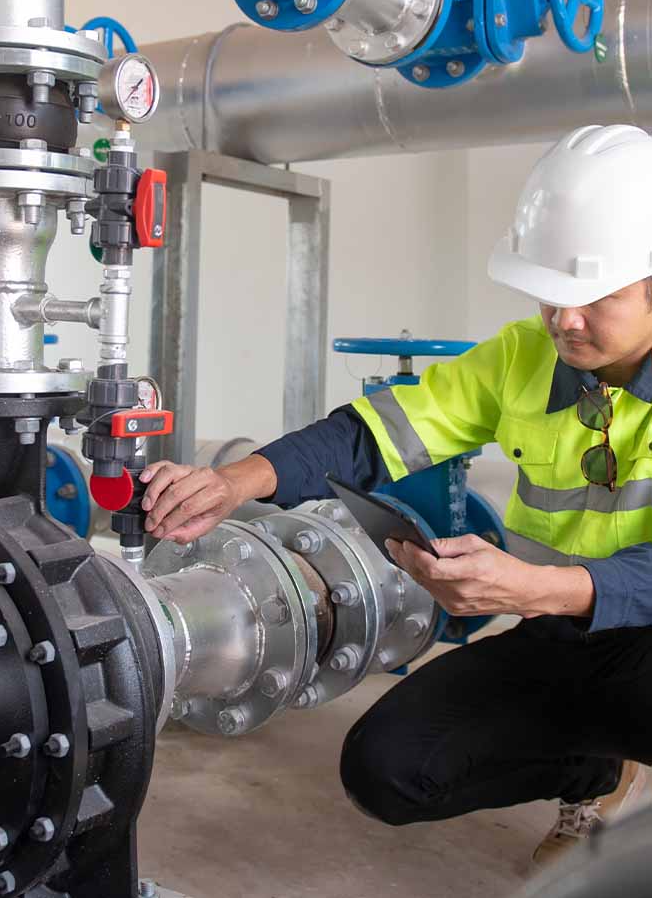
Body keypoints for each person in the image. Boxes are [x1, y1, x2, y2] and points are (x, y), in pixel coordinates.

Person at [140, 124, 652, 865]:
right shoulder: (522, 357)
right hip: (559, 636)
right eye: (548, 295)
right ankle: (595, 775)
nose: (562, 320)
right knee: (388, 771)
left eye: (591, 297)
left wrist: (539, 586)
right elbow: (370, 434)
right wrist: (234, 481)